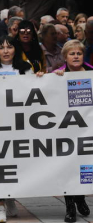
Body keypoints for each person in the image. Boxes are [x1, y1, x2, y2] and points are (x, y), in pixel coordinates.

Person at [0, 35, 43, 223]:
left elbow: (34, 93)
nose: (5, 51)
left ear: (16, 50)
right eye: (1, 47)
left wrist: (39, 79)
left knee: (14, 165)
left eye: (9, 47)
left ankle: (10, 197)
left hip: (18, 126)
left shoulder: (26, 69)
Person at [53, 40, 91, 222]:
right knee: (67, 167)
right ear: (65, 57)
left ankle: (80, 197)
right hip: (65, 131)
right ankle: (69, 205)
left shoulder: (91, 74)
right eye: (71, 54)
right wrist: (49, 78)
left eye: (79, 53)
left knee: (84, 166)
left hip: (86, 131)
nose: (76, 56)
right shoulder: (56, 75)